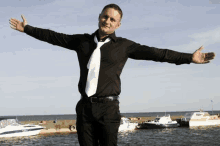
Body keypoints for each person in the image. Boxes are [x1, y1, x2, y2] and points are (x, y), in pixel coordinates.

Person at [9, 3, 215, 146]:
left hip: (108, 109)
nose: (108, 21)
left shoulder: (124, 46)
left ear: (118, 24)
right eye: (105, 16)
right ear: (99, 17)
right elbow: (53, 36)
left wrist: (190, 57)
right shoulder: (82, 41)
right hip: (84, 108)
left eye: (113, 19)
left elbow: (158, 54)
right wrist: (27, 29)